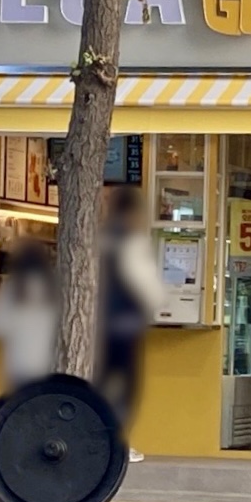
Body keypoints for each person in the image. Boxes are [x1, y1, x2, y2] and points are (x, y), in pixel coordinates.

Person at [96, 186, 164, 463]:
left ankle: (92, 441)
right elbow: (150, 289)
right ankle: (116, 445)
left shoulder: (98, 239)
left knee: (99, 386)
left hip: (96, 328)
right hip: (125, 327)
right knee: (126, 390)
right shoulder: (133, 243)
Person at [0, 239, 59, 390]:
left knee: (23, 402)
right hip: (48, 365)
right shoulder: (55, 291)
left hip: (19, 364)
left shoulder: (12, 290)